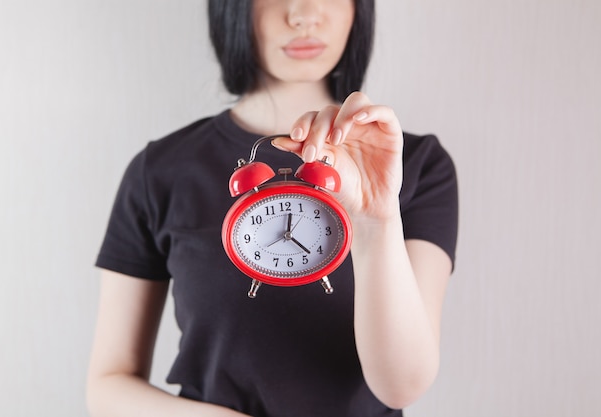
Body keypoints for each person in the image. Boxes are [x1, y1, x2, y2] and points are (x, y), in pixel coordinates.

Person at [86, 0, 458, 416]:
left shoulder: (412, 165)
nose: (303, 14)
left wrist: (376, 220)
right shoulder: (161, 171)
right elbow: (107, 387)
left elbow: (401, 387)